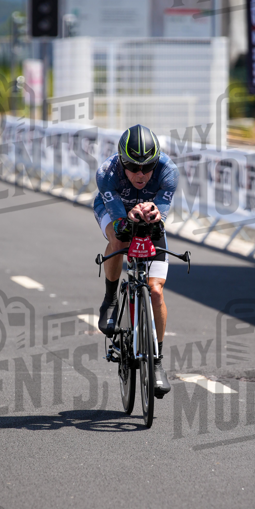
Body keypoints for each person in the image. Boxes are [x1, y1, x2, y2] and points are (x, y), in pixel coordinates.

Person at [93, 124, 179, 398]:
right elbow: (119, 221)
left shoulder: (169, 171)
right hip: (114, 208)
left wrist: (153, 215)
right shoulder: (107, 173)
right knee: (120, 240)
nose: (141, 174)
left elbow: (160, 220)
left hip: (147, 216)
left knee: (155, 291)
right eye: (132, 167)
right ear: (121, 161)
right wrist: (125, 220)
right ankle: (110, 299)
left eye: (147, 167)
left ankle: (157, 361)